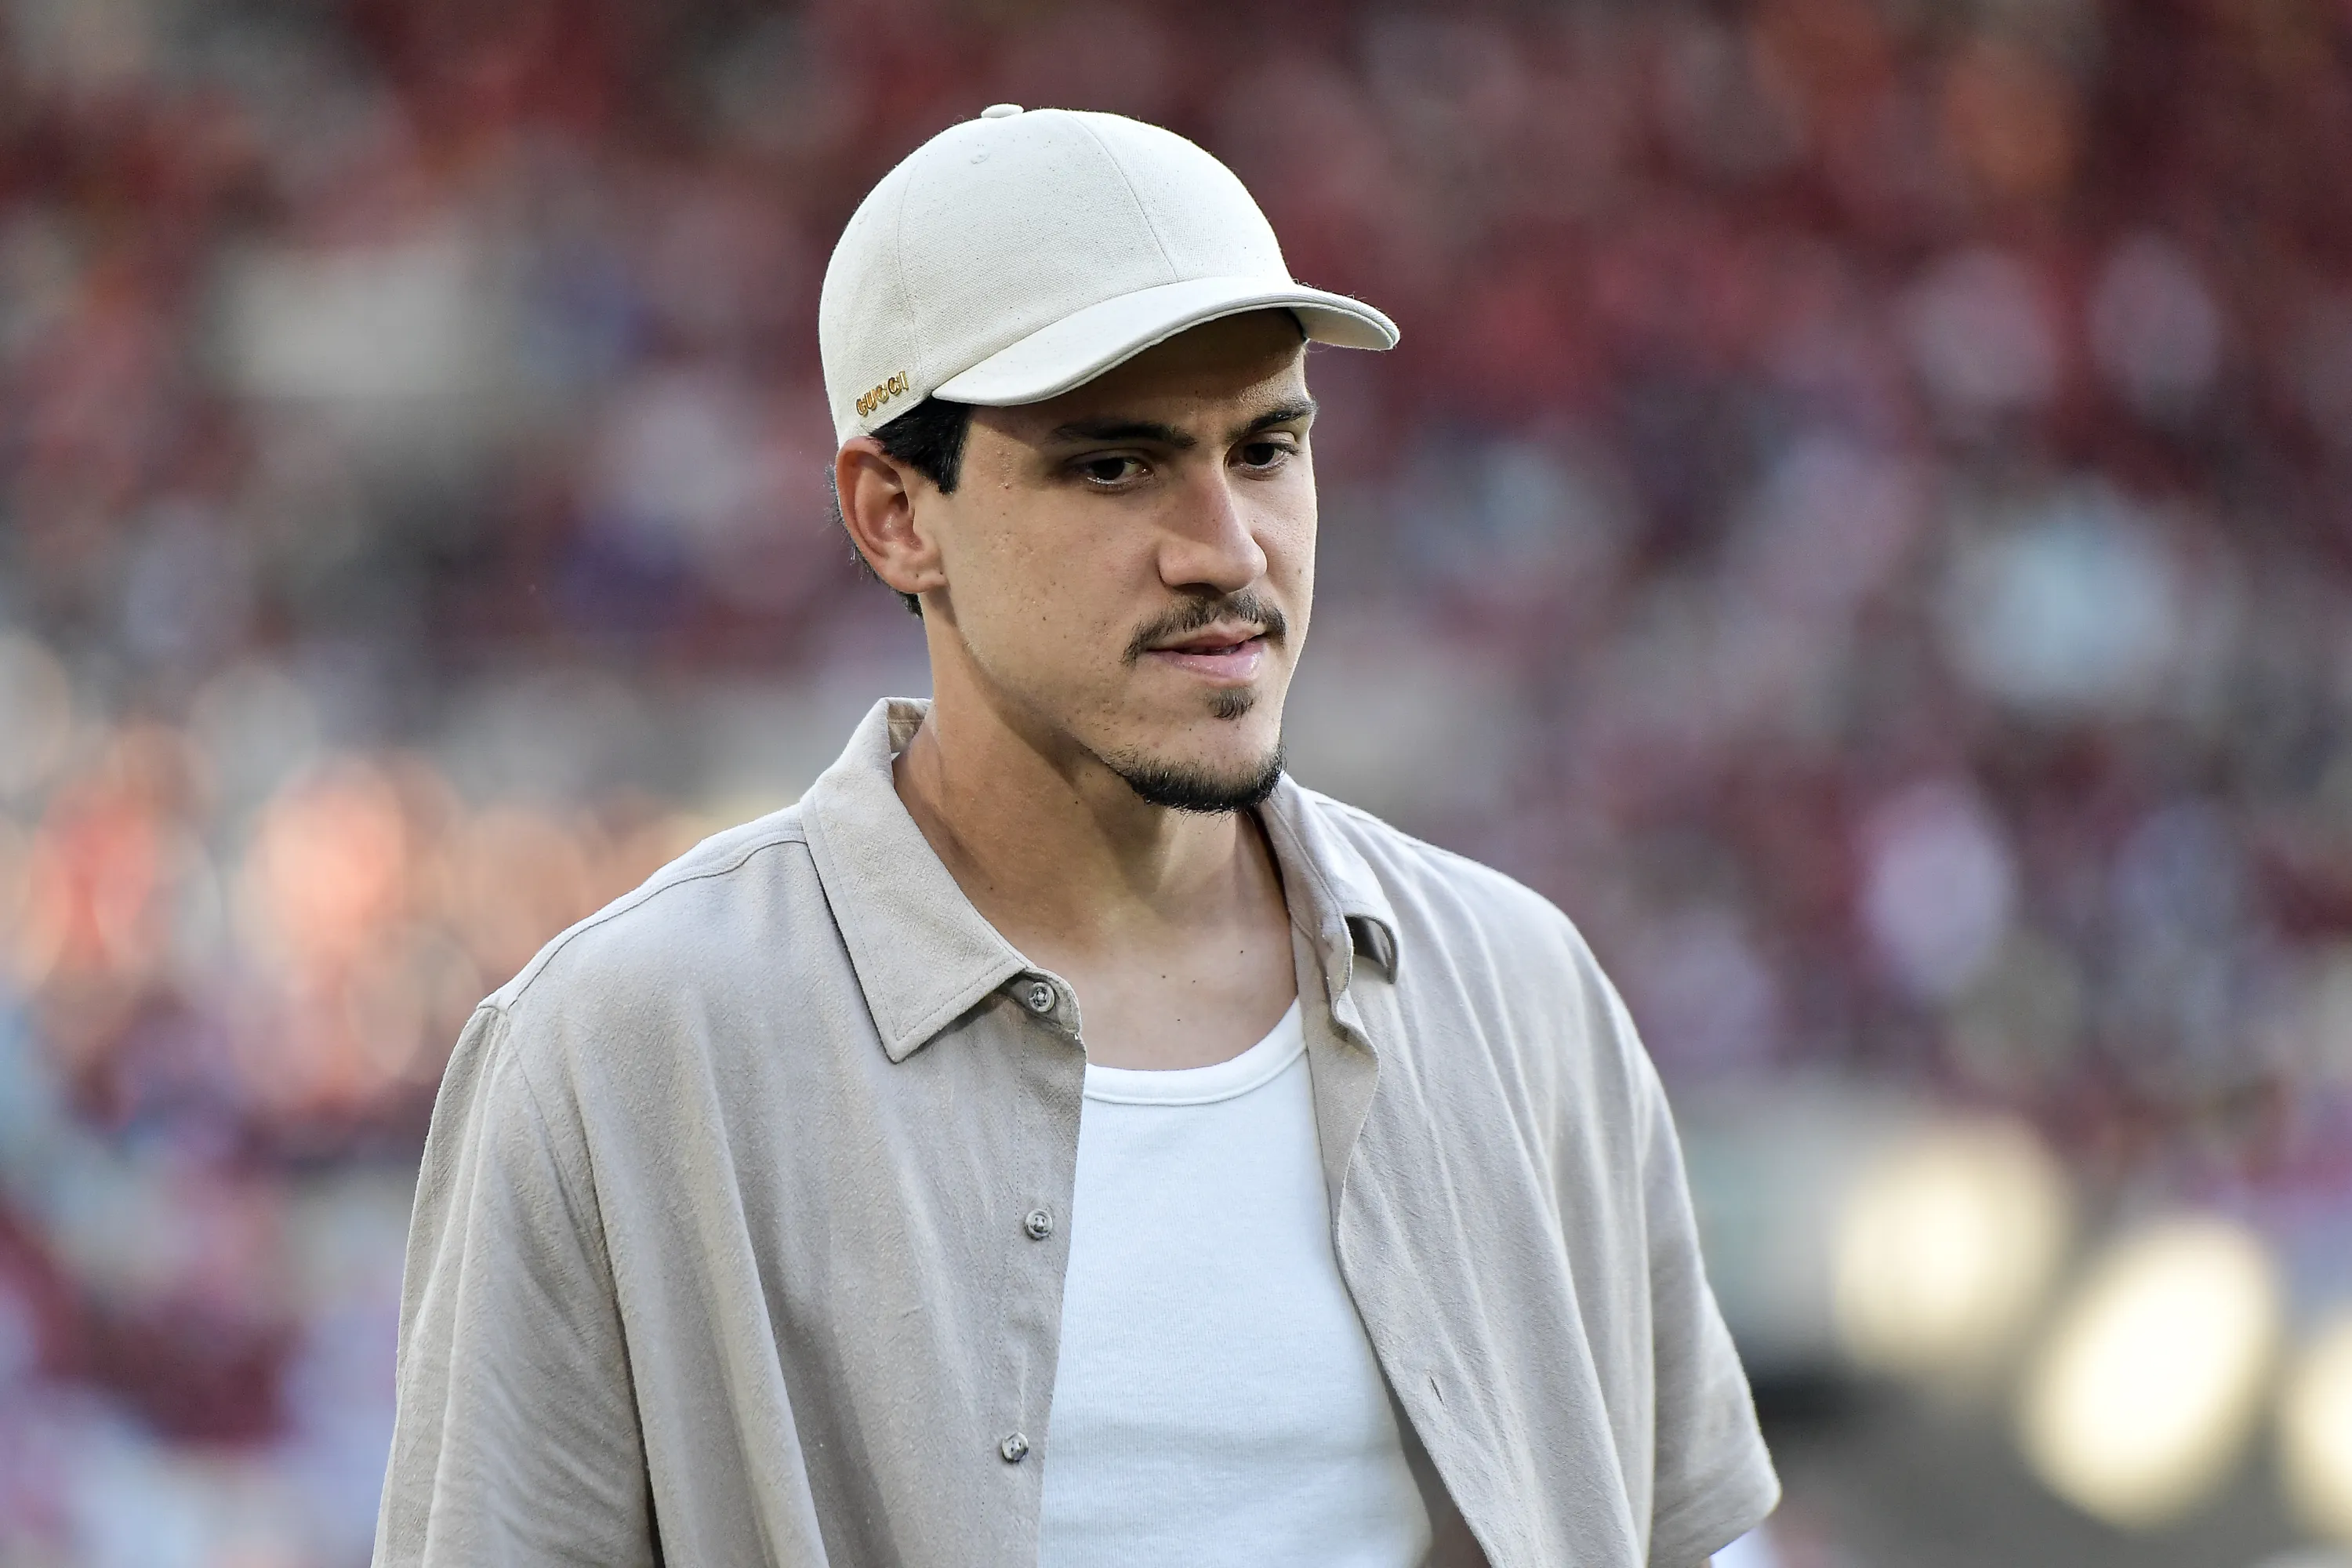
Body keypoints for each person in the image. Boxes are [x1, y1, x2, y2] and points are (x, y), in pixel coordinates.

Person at [373, 105, 1777, 1568]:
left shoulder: (1517, 989)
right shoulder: (621, 1053)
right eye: (1115, 466)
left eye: (1267, 448)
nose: (1226, 549)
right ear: (895, 515)